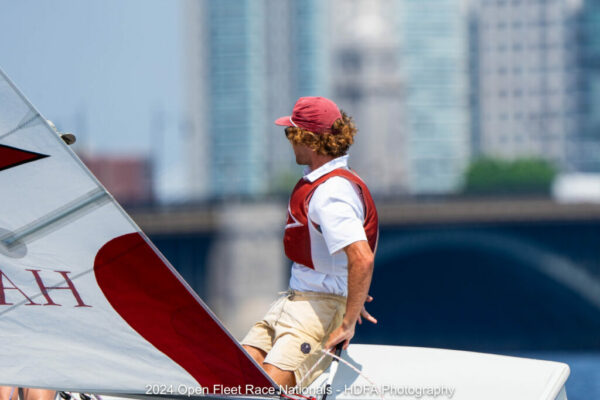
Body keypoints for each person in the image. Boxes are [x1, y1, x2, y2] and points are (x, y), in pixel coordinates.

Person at [241, 96, 379, 390]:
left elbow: (362, 258)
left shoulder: (332, 193)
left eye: (292, 133)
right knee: (232, 378)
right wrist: (353, 294)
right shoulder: (326, 182)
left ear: (312, 140)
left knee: (262, 393)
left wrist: (348, 321)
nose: (289, 140)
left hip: (317, 312)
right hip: (296, 301)